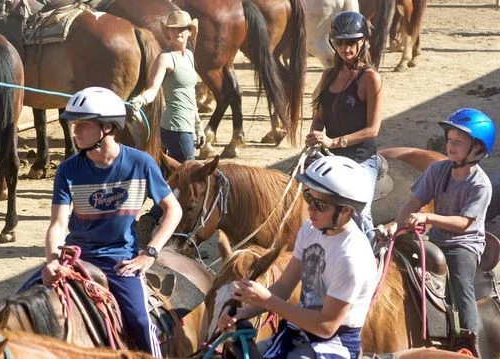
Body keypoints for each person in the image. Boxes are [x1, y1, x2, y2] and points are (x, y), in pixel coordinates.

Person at [41, 87, 183, 355]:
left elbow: (172, 210)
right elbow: (58, 225)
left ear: (107, 127)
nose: (75, 131)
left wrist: (149, 253)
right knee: (20, 305)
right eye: (74, 124)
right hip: (76, 259)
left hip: (119, 263)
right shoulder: (68, 169)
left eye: (83, 124)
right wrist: (51, 261)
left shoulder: (141, 164)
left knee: (141, 322)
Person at [217, 156, 377, 359]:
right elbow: (284, 286)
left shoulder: (351, 258)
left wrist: (267, 301)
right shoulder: (311, 229)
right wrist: (244, 312)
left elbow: (326, 326)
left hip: (333, 344)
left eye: (320, 205)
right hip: (299, 330)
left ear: (345, 210)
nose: (310, 208)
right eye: (309, 197)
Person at [392, 108, 496, 356]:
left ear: (478, 150)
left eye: (459, 142)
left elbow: (463, 224)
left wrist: (428, 217)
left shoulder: (480, 184)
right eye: (450, 139)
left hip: (464, 244)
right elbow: (414, 202)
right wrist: (395, 229)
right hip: (436, 237)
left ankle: (468, 341)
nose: (451, 146)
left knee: (461, 281)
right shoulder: (438, 170)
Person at [305, 11, 383, 244]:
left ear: (363, 42)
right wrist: (314, 137)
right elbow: (319, 117)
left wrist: (333, 142)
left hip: (361, 159)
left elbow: (373, 130)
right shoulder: (328, 74)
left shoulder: (370, 78)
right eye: (340, 42)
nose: (345, 48)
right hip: (330, 156)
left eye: (351, 42)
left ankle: (372, 256)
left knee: (359, 212)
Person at [131, 10, 205, 162]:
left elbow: (190, 94)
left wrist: (198, 125)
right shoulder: (165, 58)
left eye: (182, 28)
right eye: (173, 28)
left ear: (190, 31)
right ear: (168, 31)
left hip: (188, 125)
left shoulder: (190, 56)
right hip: (175, 126)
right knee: (187, 171)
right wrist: (141, 99)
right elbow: (152, 89)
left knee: (176, 174)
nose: (178, 31)